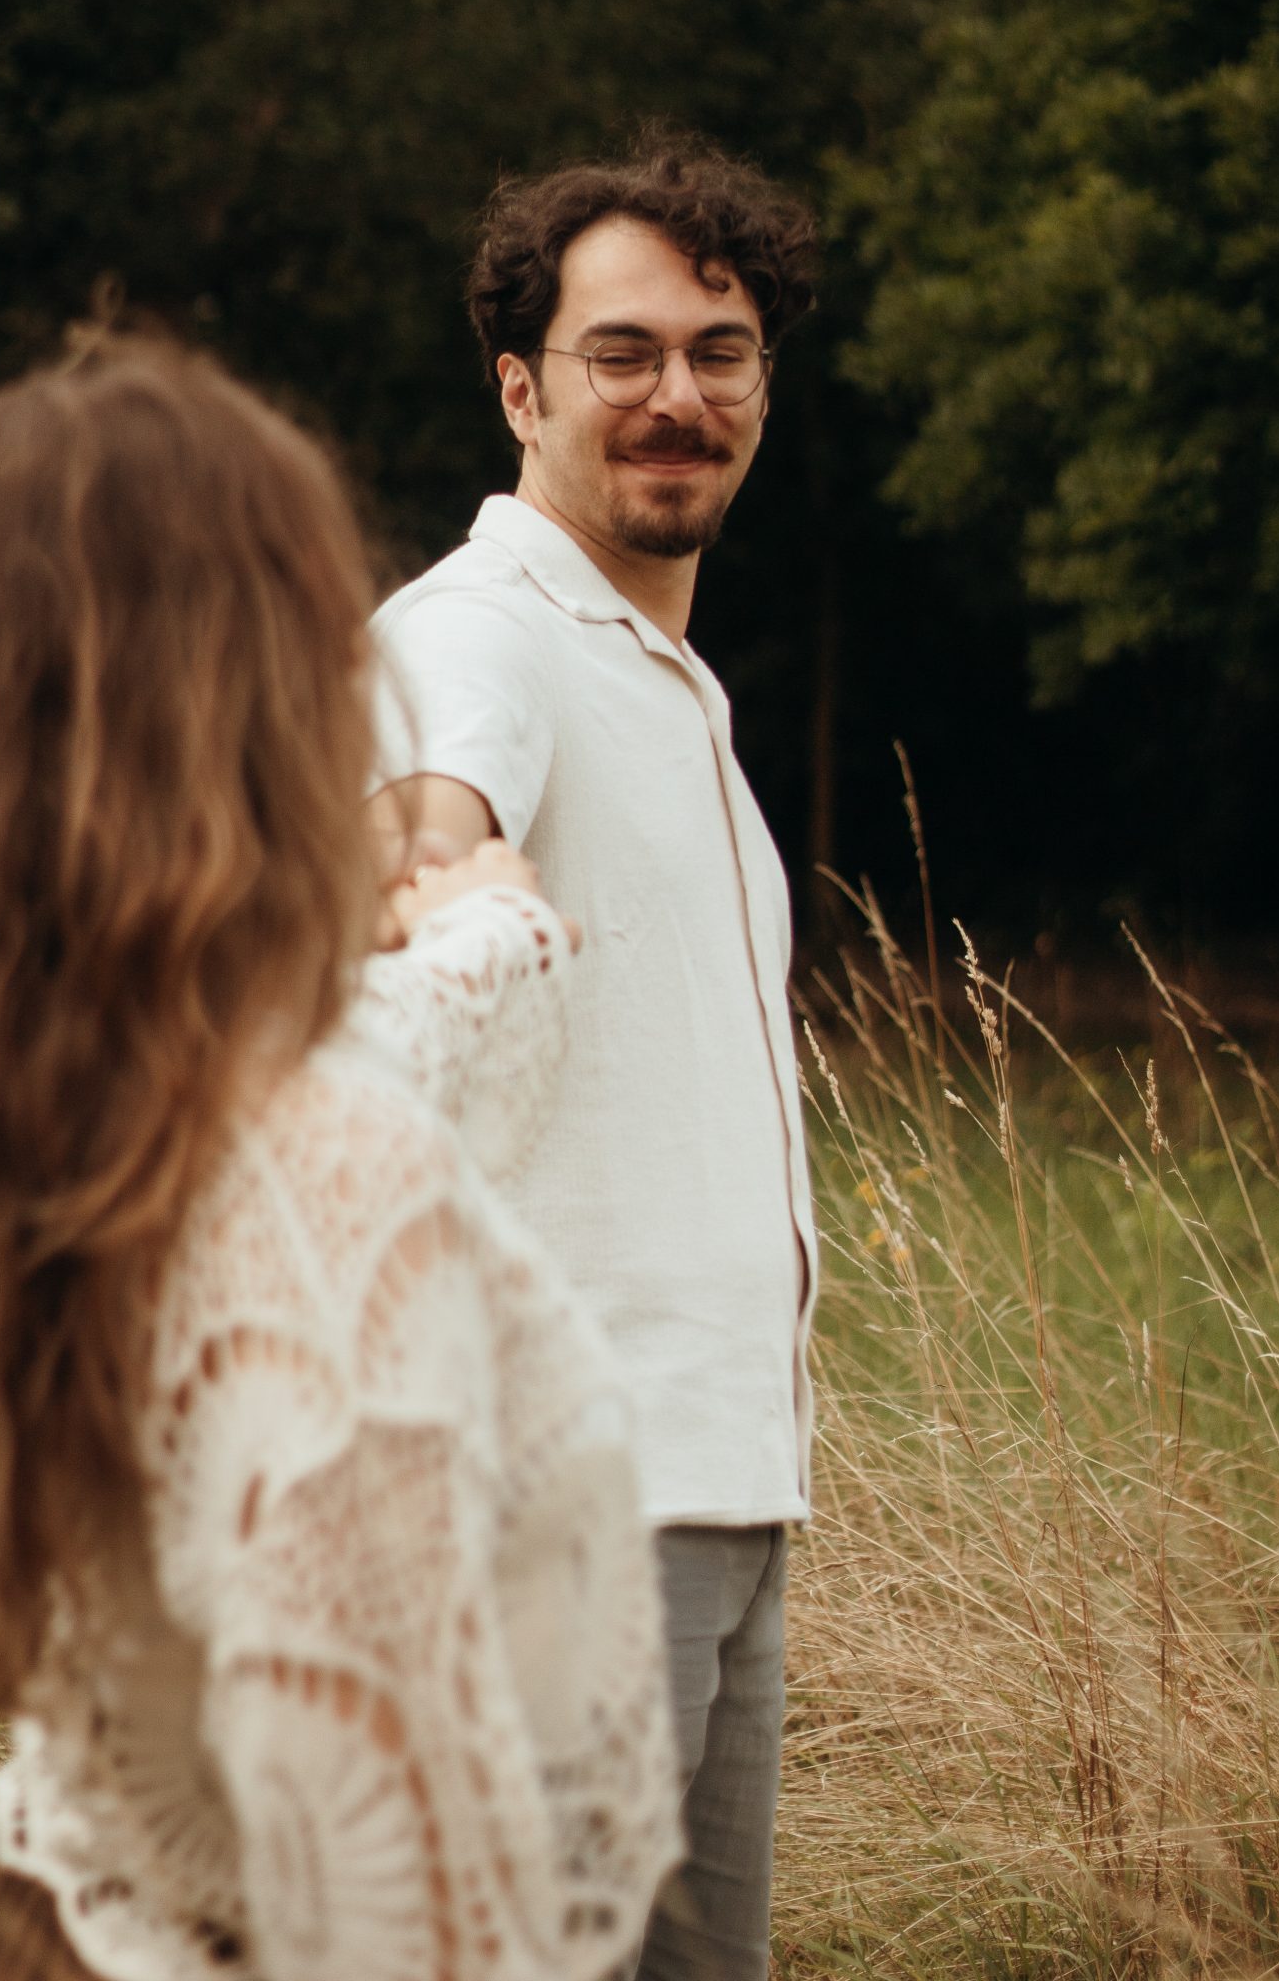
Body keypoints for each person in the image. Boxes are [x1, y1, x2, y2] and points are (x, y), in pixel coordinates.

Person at [0, 337, 680, 1981]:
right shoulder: (315, 1180)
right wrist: (490, 930)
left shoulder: (41, 1110)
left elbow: (351, 1081)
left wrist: (492, 939)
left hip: (38, 1923)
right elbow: (403, 1913)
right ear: (255, 706)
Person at [371, 139, 821, 1981]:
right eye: (619, 353)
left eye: (721, 353)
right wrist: (430, 872)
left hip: (720, 1491)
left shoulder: (667, 682)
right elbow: (423, 808)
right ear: (520, 389)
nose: (675, 398)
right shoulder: (482, 632)